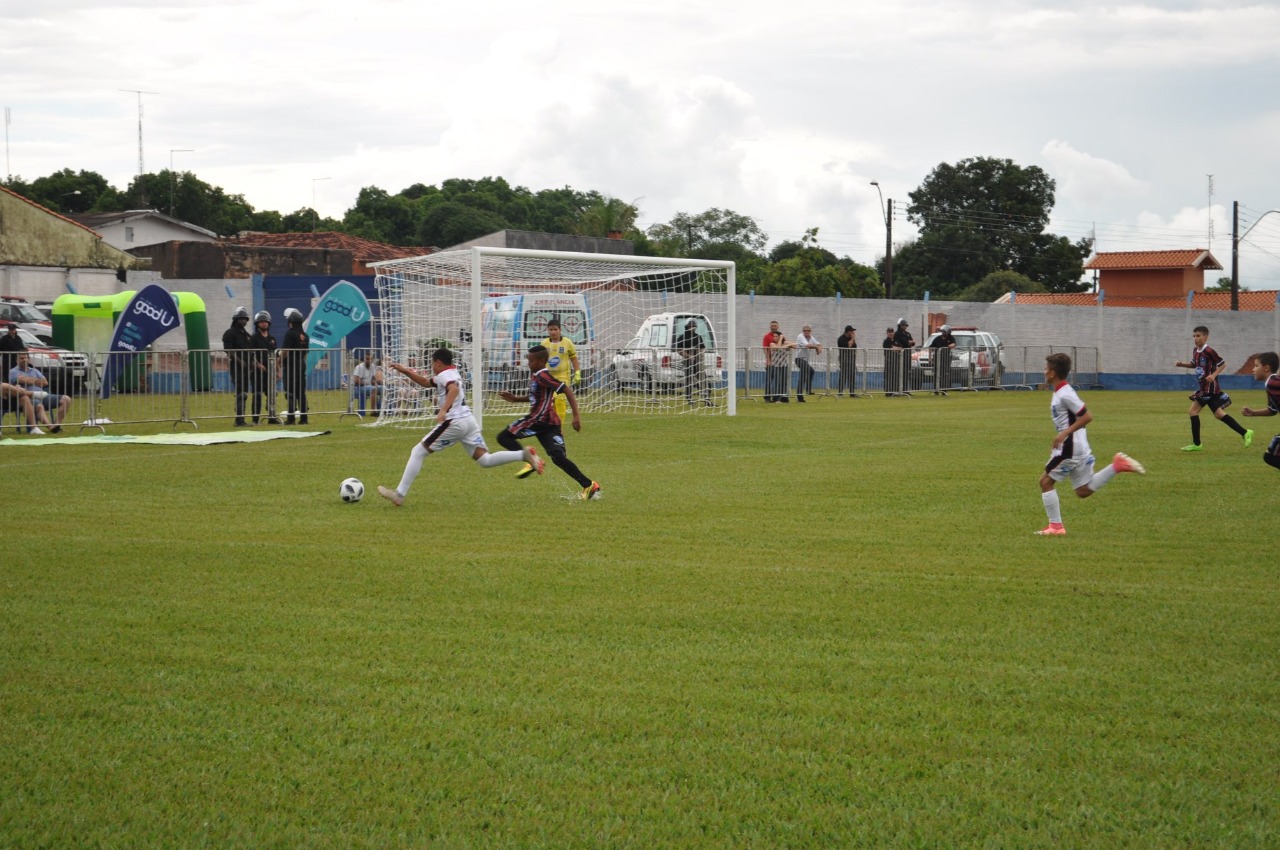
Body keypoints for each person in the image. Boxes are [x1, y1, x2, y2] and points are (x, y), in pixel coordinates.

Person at [376, 348, 544, 506]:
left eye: (432, 364)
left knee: (417, 451)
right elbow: (426, 382)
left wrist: (443, 410)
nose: (432, 367)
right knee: (485, 460)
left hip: (454, 421)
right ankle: (523, 454)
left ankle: (399, 494)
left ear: (438, 363)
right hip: (468, 421)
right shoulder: (452, 372)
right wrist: (405, 371)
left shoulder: (444, 375)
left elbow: (454, 389)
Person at [1035, 352, 1145, 536]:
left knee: (1045, 481)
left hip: (1070, 448)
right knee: (1083, 491)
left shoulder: (1065, 394)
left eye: (1046, 368)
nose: (1044, 371)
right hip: (1079, 446)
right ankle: (1117, 466)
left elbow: (1087, 417)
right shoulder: (1061, 391)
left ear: (1053, 373)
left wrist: (1063, 434)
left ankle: (1056, 527)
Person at [497, 344, 601, 500]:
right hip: (551, 424)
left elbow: (566, 389)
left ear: (540, 362)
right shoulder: (536, 375)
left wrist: (576, 416)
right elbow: (536, 396)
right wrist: (515, 399)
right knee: (558, 457)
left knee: (503, 437)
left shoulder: (542, 375)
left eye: (530, 361)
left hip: (538, 421)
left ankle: (531, 459)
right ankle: (588, 485)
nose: (528, 363)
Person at [1174, 325, 1252, 452]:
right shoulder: (1195, 350)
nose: (1195, 338)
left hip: (1209, 388)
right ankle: (1245, 432)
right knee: (1219, 414)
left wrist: (1213, 375)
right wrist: (1181, 364)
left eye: (1198, 336)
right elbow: (1194, 364)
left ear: (1206, 337)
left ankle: (1197, 444)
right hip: (1204, 387)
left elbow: (1222, 364)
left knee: (1193, 412)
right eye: (1194, 336)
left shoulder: (1209, 351)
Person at [9, 351, 69, 433]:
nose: (24, 360)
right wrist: (37, 381)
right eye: (21, 358)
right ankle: (51, 427)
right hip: (27, 397)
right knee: (38, 404)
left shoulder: (35, 370)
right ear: (17, 360)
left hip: (43, 395)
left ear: (29, 359)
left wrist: (28, 380)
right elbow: (21, 380)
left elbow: (45, 382)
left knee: (66, 399)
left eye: (26, 358)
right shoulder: (13, 371)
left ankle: (56, 425)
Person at [1241, 351, 1280, 472]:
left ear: (1266, 368)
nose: (1253, 369)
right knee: (1272, 456)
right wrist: (1254, 413)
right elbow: (1273, 410)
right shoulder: (1270, 384)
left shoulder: (1273, 382)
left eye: (1256, 366)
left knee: (1270, 456)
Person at [221, 306, 253, 426]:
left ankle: (241, 418)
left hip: (247, 367)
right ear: (236, 319)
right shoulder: (230, 333)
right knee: (240, 393)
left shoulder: (246, 334)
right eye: (241, 319)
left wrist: (252, 363)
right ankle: (239, 420)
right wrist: (240, 361)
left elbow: (250, 350)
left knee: (244, 393)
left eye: (245, 319)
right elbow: (228, 350)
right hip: (237, 367)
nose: (244, 321)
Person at [249, 310, 281, 425]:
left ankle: (272, 417)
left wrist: (278, 371)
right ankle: (255, 420)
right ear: (257, 324)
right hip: (258, 373)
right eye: (261, 322)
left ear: (269, 323)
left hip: (270, 372)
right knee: (257, 395)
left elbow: (276, 356)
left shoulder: (272, 339)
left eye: (265, 322)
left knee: (272, 395)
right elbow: (251, 355)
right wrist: (258, 365)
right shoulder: (254, 338)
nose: (264, 324)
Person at [279, 308, 309, 425]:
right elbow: (305, 353)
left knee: (290, 391)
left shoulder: (290, 333)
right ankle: (304, 418)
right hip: (301, 364)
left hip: (291, 364)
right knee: (301, 392)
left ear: (290, 322)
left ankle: (291, 418)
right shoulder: (305, 336)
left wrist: (279, 362)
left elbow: (285, 351)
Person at [675, 318, 711, 406]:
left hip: (697, 362)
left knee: (704, 380)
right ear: (687, 326)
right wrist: (688, 355)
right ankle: (689, 400)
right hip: (687, 362)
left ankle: (707, 400)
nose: (692, 327)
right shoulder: (682, 337)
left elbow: (702, 347)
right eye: (690, 326)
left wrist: (700, 353)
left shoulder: (698, 337)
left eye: (694, 326)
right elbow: (679, 349)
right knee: (689, 381)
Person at [762, 320, 795, 403]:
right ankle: (768, 397)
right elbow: (766, 349)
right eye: (772, 326)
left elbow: (790, 345)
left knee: (781, 380)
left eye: (775, 326)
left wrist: (786, 344)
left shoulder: (780, 335)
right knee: (770, 380)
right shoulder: (767, 337)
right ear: (770, 327)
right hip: (773, 363)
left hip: (782, 364)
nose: (773, 327)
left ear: (778, 326)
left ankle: (781, 397)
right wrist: (768, 361)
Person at [793, 325, 822, 402]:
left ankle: (807, 390)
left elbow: (819, 344)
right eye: (805, 330)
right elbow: (808, 345)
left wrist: (819, 348)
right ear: (803, 331)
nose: (806, 332)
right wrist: (816, 348)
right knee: (804, 375)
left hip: (805, 360)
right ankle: (800, 396)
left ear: (810, 331)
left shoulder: (811, 338)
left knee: (811, 371)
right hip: (799, 359)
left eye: (808, 330)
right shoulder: (800, 336)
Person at [352, 351, 383, 417]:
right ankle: (373, 412)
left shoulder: (373, 366)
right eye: (367, 359)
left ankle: (382, 410)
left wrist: (374, 383)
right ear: (364, 359)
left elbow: (373, 379)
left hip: (369, 386)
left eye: (371, 359)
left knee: (382, 388)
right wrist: (366, 383)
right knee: (374, 389)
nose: (369, 360)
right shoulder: (359, 367)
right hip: (359, 387)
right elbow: (356, 380)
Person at [929, 324, 957, 394]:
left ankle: (944, 390)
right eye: (942, 331)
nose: (943, 333)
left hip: (946, 359)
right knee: (936, 374)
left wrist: (950, 345)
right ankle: (936, 390)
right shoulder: (937, 338)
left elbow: (953, 344)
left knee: (945, 374)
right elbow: (931, 348)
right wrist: (930, 358)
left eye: (944, 332)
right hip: (937, 359)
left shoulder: (950, 338)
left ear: (948, 332)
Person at [836, 326, 857, 397]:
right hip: (844, 360)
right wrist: (853, 338)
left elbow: (855, 347)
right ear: (848, 331)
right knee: (843, 376)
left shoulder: (851, 339)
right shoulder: (841, 339)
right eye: (851, 331)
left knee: (852, 376)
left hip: (851, 359)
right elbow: (849, 346)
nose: (853, 333)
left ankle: (852, 392)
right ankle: (840, 392)